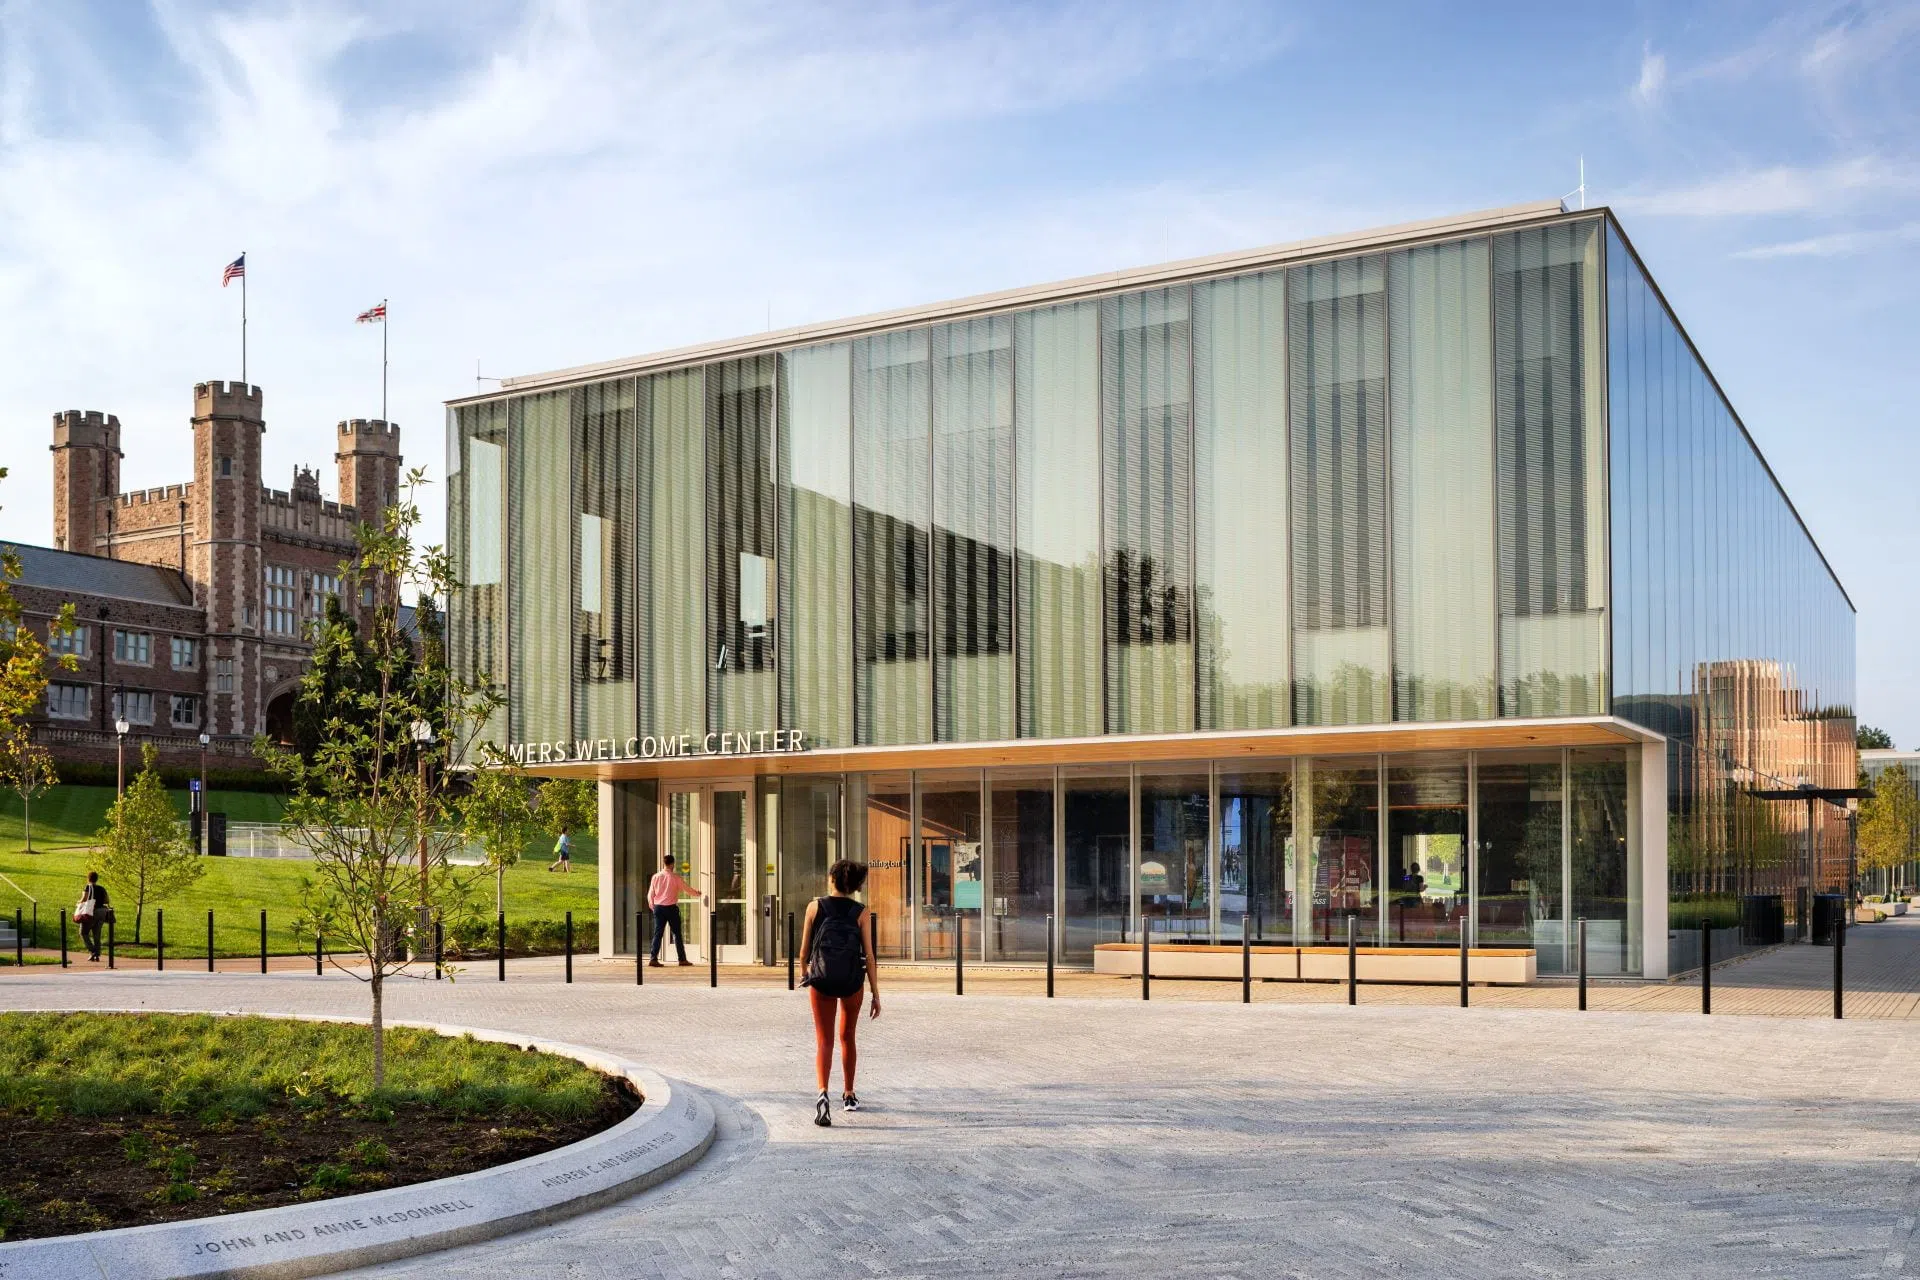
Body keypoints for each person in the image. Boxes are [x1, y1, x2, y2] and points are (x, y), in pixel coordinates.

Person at [799, 860, 880, 1128]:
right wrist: (875, 993)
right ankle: (848, 1094)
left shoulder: (814, 907)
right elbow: (868, 955)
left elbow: (803, 952)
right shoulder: (861, 912)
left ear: (831, 878)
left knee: (824, 1041)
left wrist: (805, 974)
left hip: (821, 979)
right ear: (856, 885)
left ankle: (822, 1093)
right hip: (851, 981)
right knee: (848, 1037)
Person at [647, 854, 701, 967]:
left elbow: (650, 893)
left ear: (664, 863)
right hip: (671, 908)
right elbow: (687, 889)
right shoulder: (675, 878)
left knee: (658, 933)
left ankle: (653, 958)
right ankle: (682, 959)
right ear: (672, 864)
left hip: (658, 908)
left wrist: (653, 906)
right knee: (677, 934)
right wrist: (697, 893)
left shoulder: (656, 877)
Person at [77, 871, 112, 962]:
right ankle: (97, 955)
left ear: (88, 878)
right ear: (96, 879)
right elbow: (107, 900)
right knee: (97, 935)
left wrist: (78, 903)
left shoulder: (88, 887)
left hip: (91, 912)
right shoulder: (102, 888)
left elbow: (84, 898)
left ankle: (92, 951)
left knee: (83, 932)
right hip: (102, 912)